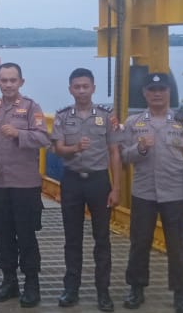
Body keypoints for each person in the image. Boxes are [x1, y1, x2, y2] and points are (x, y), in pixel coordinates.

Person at [120, 73, 183, 313]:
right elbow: (124, 156)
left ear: (169, 92)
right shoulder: (133, 123)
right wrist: (140, 148)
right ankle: (136, 289)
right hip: (144, 193)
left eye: (162, 89)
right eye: (152, 89)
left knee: (178, 246)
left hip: (175, 193)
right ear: (145, 93)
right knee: (139, 243)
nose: (157, 94)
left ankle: (181, 294)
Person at [0, 62, 50, 308]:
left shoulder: (31, 108)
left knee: (27, 235)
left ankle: (31, 283)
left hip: (25, 185)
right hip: (0, 184)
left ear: (21, 82)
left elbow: (43, 138)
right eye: (4, 80)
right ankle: (9, 281)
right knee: (3, 235)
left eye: (13, 80)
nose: (8, 84)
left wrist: (19, 134)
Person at [51, 68, 121, 312]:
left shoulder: (106, 116)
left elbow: (114, 152)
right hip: (71, 181)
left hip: (98, 182)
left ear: (93, 88)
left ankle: (103, 291)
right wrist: (74, 148)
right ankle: (71, 288)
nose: (81, 91)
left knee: (102, 238)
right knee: (72, 238)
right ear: (70, 89)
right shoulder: (62, 116)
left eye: (85, 86)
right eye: (76, 87)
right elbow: (58, 149)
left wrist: (116, 188)